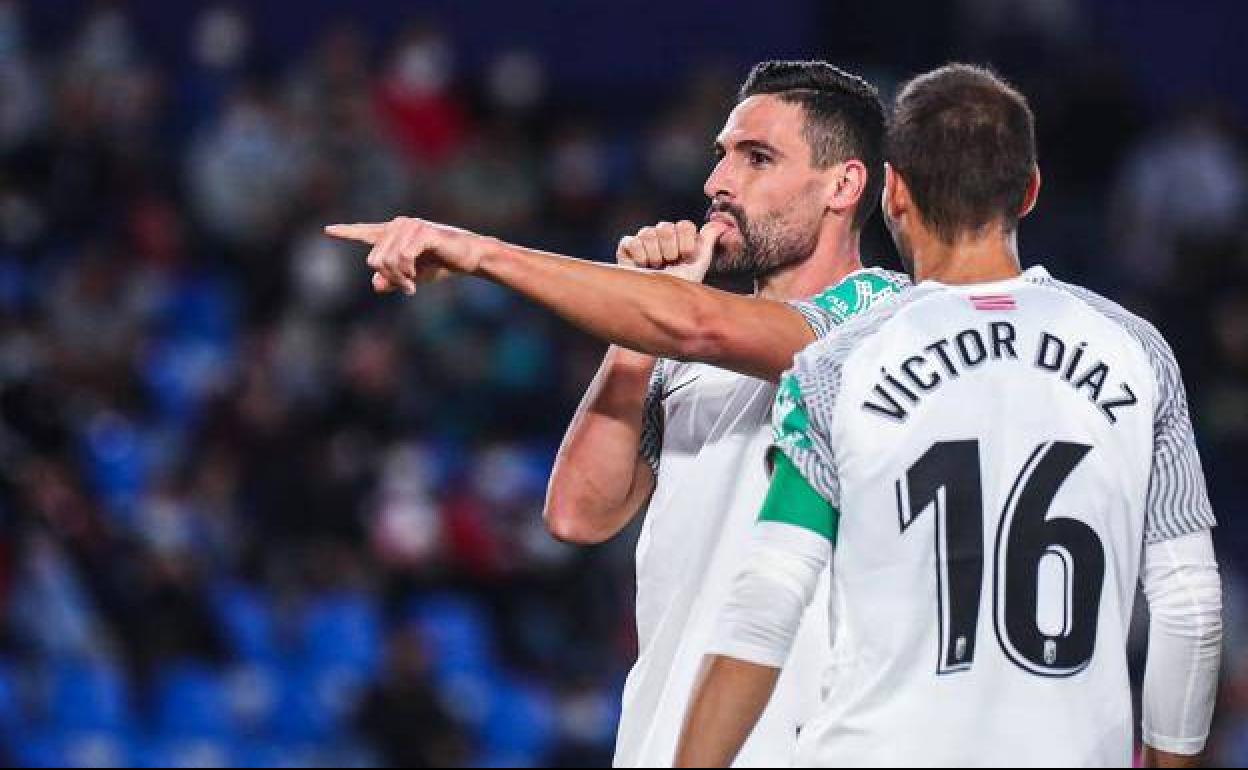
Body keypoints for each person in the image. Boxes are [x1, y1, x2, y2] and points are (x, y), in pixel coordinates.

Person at [327, 61, 908, 766]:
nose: (718, 184)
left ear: (843, 185)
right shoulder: (679, 343)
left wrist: (482, 253)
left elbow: (703, 327)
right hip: (666, 741)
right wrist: (638, 329)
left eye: (757, 158)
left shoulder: (887, 319)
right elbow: (578, 514)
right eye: (721, 155)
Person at [674, 64, 1222, 768]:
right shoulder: (1136, 354)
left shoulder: (841, 365)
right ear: (1029, 191)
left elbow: (765, 600)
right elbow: (1191, 608)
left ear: (893, 192)